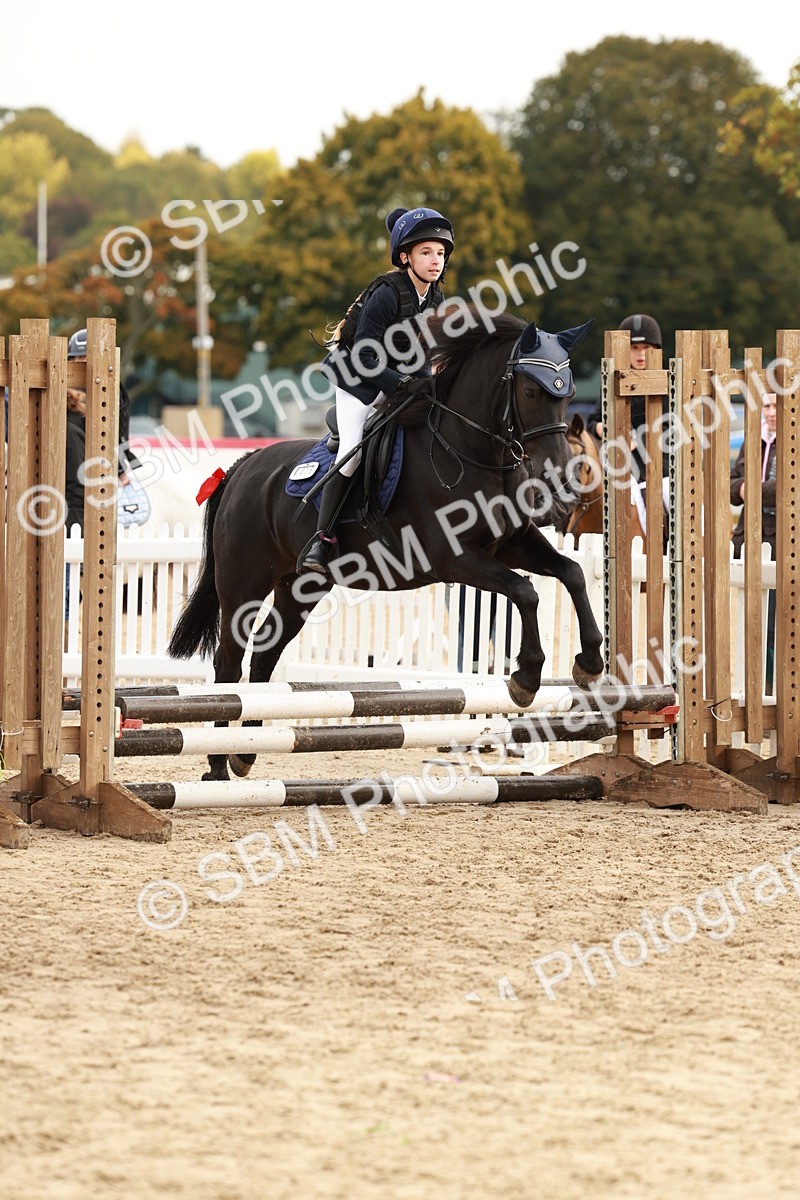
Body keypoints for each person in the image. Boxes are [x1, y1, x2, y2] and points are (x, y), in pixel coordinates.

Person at [296, 206, 453, 577]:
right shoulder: (386, 293)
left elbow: (436, 350)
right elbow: (366, 355)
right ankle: (322, 539)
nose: (436, 261)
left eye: (441, 254)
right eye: (427, 252)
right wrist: (400, 384)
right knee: (351, 453)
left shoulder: (435, 299)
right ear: (405, 257)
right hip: (358, 380)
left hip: (400, 379)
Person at [730, 391, 777, 691]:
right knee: (751, 618)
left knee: (774, 621)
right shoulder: (753, 438)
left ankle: (773, 684)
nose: (771, 412)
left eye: (776, 405)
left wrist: (753, 489)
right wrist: (744, 488)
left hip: (781, 537)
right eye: (767, 405)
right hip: (749, 534)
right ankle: (755, 681)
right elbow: (733, 482)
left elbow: (788, 482)